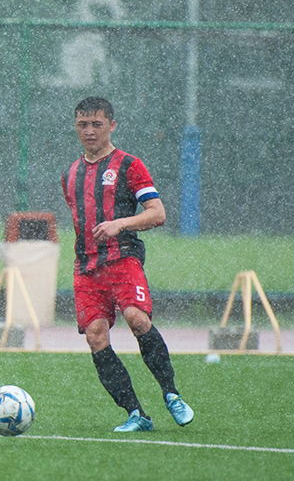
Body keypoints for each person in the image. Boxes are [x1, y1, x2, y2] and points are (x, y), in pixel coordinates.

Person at [61, 96, 194, 432]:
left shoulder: (129, 165)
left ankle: (171, 393)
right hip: (86, 268)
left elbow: (157, 214)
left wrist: (119, 224)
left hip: (123, 259)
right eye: (82, 124)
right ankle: (136, 413)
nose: (89, 131)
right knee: (95, 336)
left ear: (112, 125)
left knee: (136, 319)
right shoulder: (70, 173)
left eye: (96, 124)